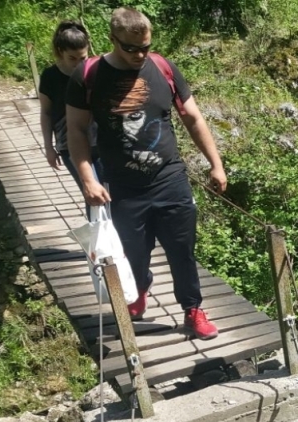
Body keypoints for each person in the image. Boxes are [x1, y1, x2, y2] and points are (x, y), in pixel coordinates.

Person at [66, 7, 225, 340]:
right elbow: (77, 130)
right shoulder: (88, 75)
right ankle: (138, 289)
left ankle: (192, 309)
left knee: (182, 250)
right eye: (131, 48)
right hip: (122, 186)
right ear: (113, 39)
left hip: (170, 179)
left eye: (145, 47)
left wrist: (216, 163)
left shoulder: (163, 68)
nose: (140, 55)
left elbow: (192, 118)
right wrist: (87, 179)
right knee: (132, 253)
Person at [38, 20, 104, 216]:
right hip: (69, 145)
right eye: (72, 58)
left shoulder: (94, 70)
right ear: (60, 52)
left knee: (107, 192)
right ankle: (97, 243)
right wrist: (49, 148)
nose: (78, 63)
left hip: (100, 142)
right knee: (92, 192)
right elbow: (46, 112)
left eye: (82, 57)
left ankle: (109, 242)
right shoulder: (50, 76)